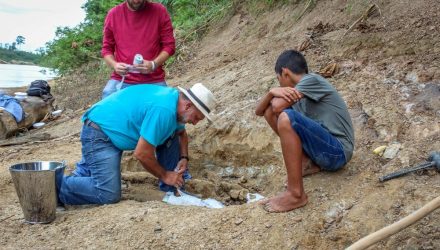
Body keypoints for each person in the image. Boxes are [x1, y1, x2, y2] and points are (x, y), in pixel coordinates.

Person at [57, 83, 216, 205]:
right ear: (188, 105)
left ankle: (172, 191)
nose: (195, 123)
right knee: (106, 193)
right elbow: (141, 154)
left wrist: (184, 157)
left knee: (172, 135)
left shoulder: (175, 105)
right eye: (196, 117)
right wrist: (165, 175)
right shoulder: (164, 110)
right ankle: (52, 186)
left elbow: (181, 133)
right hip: (100, 133)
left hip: (113, 127)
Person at [255, 50, 354, 212]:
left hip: (338, 152)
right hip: (325, 152)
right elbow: (260, 112)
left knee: (286, 117)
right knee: (270, 112)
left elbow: (278, 106)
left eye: (278, 79)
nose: (279, 85)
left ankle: (296, 195)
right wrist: (271, 92)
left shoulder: (311, 80)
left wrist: (275, 95)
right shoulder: (295, 94)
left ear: (285, 73)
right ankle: (307, 163)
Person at [101, 0, 175, 98]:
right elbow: (106, 49)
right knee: (107, 100)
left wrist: (153, 64)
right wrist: (115, 65)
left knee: (166, 107)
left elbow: (169, 46)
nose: (136, 1)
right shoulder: (113, 14)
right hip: (122, 79)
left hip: (153, 79)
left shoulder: (159, 11)